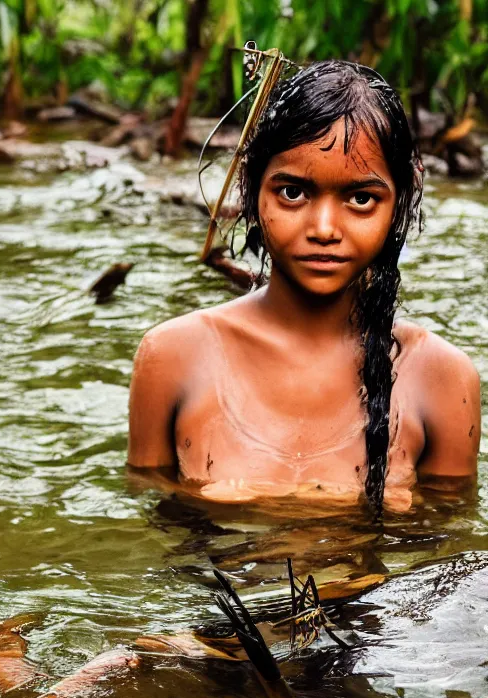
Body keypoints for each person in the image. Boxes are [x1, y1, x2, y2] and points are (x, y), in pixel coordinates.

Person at [128, 60, 480, 516]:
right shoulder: (171, 356)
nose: (324, 228)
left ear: (399, 206)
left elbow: (450, 553)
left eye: (360, 198)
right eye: (293, 193)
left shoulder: (443, 378)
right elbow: (144, 529)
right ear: (253, 190)